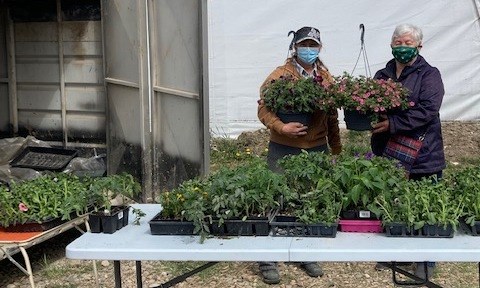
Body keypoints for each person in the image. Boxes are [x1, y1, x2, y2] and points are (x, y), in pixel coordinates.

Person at [257, 26, 342, 284]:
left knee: (308, 201)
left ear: (320, 48)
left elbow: (332, 118)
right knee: (275, 200)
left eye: (313, 45)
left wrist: (336, 149)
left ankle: (305, 253)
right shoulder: (279, 75)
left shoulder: (326, 79)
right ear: (295, 47)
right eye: (304, 44)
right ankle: (267, 258)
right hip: (283, 147)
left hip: (316, 148)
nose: (308, 49)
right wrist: (282, 126)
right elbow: (263, 110)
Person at [371, 23, 446, 280]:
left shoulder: (429, 74)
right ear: (391, 45)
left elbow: (428, 110)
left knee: (427, 206)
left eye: (408, 43)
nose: (403, 47)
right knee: (397, 203)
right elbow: (371, 103)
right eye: (398, 43)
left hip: (423, 153)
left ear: (419, 46)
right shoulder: (382, 75)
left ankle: (426, 260)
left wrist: (392, 123)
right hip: (389, 152)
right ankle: (400, 250)